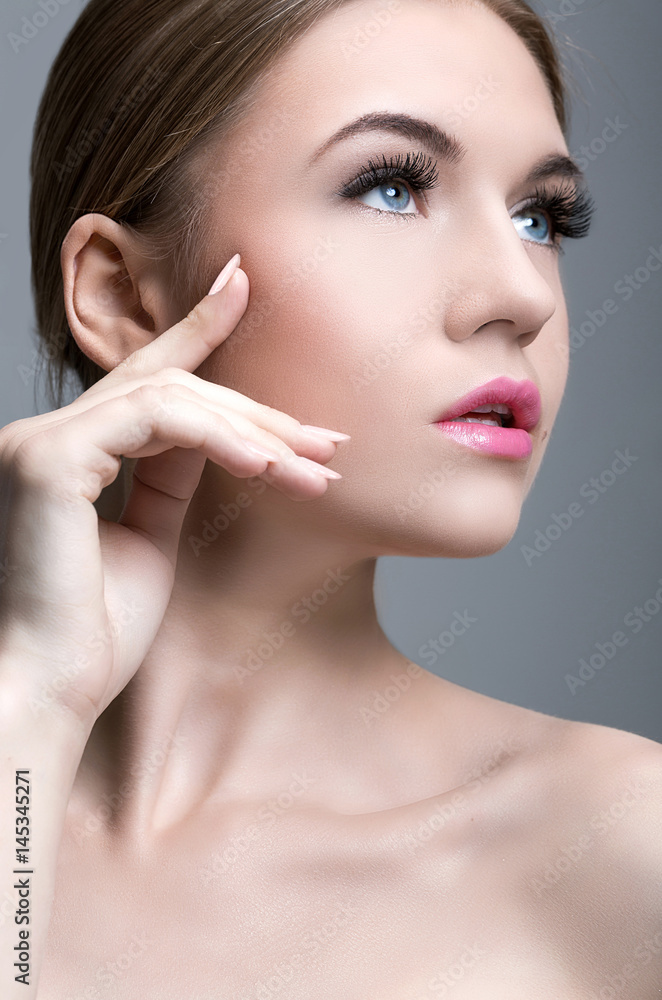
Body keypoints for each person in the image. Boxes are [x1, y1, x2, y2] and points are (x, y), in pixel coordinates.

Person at [1, 0, 660, 996]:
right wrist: (33, 710)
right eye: (391, 186)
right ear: (124, 297)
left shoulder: (617, 845)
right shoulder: (18, 775)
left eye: (539, 216)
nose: (522, 295)